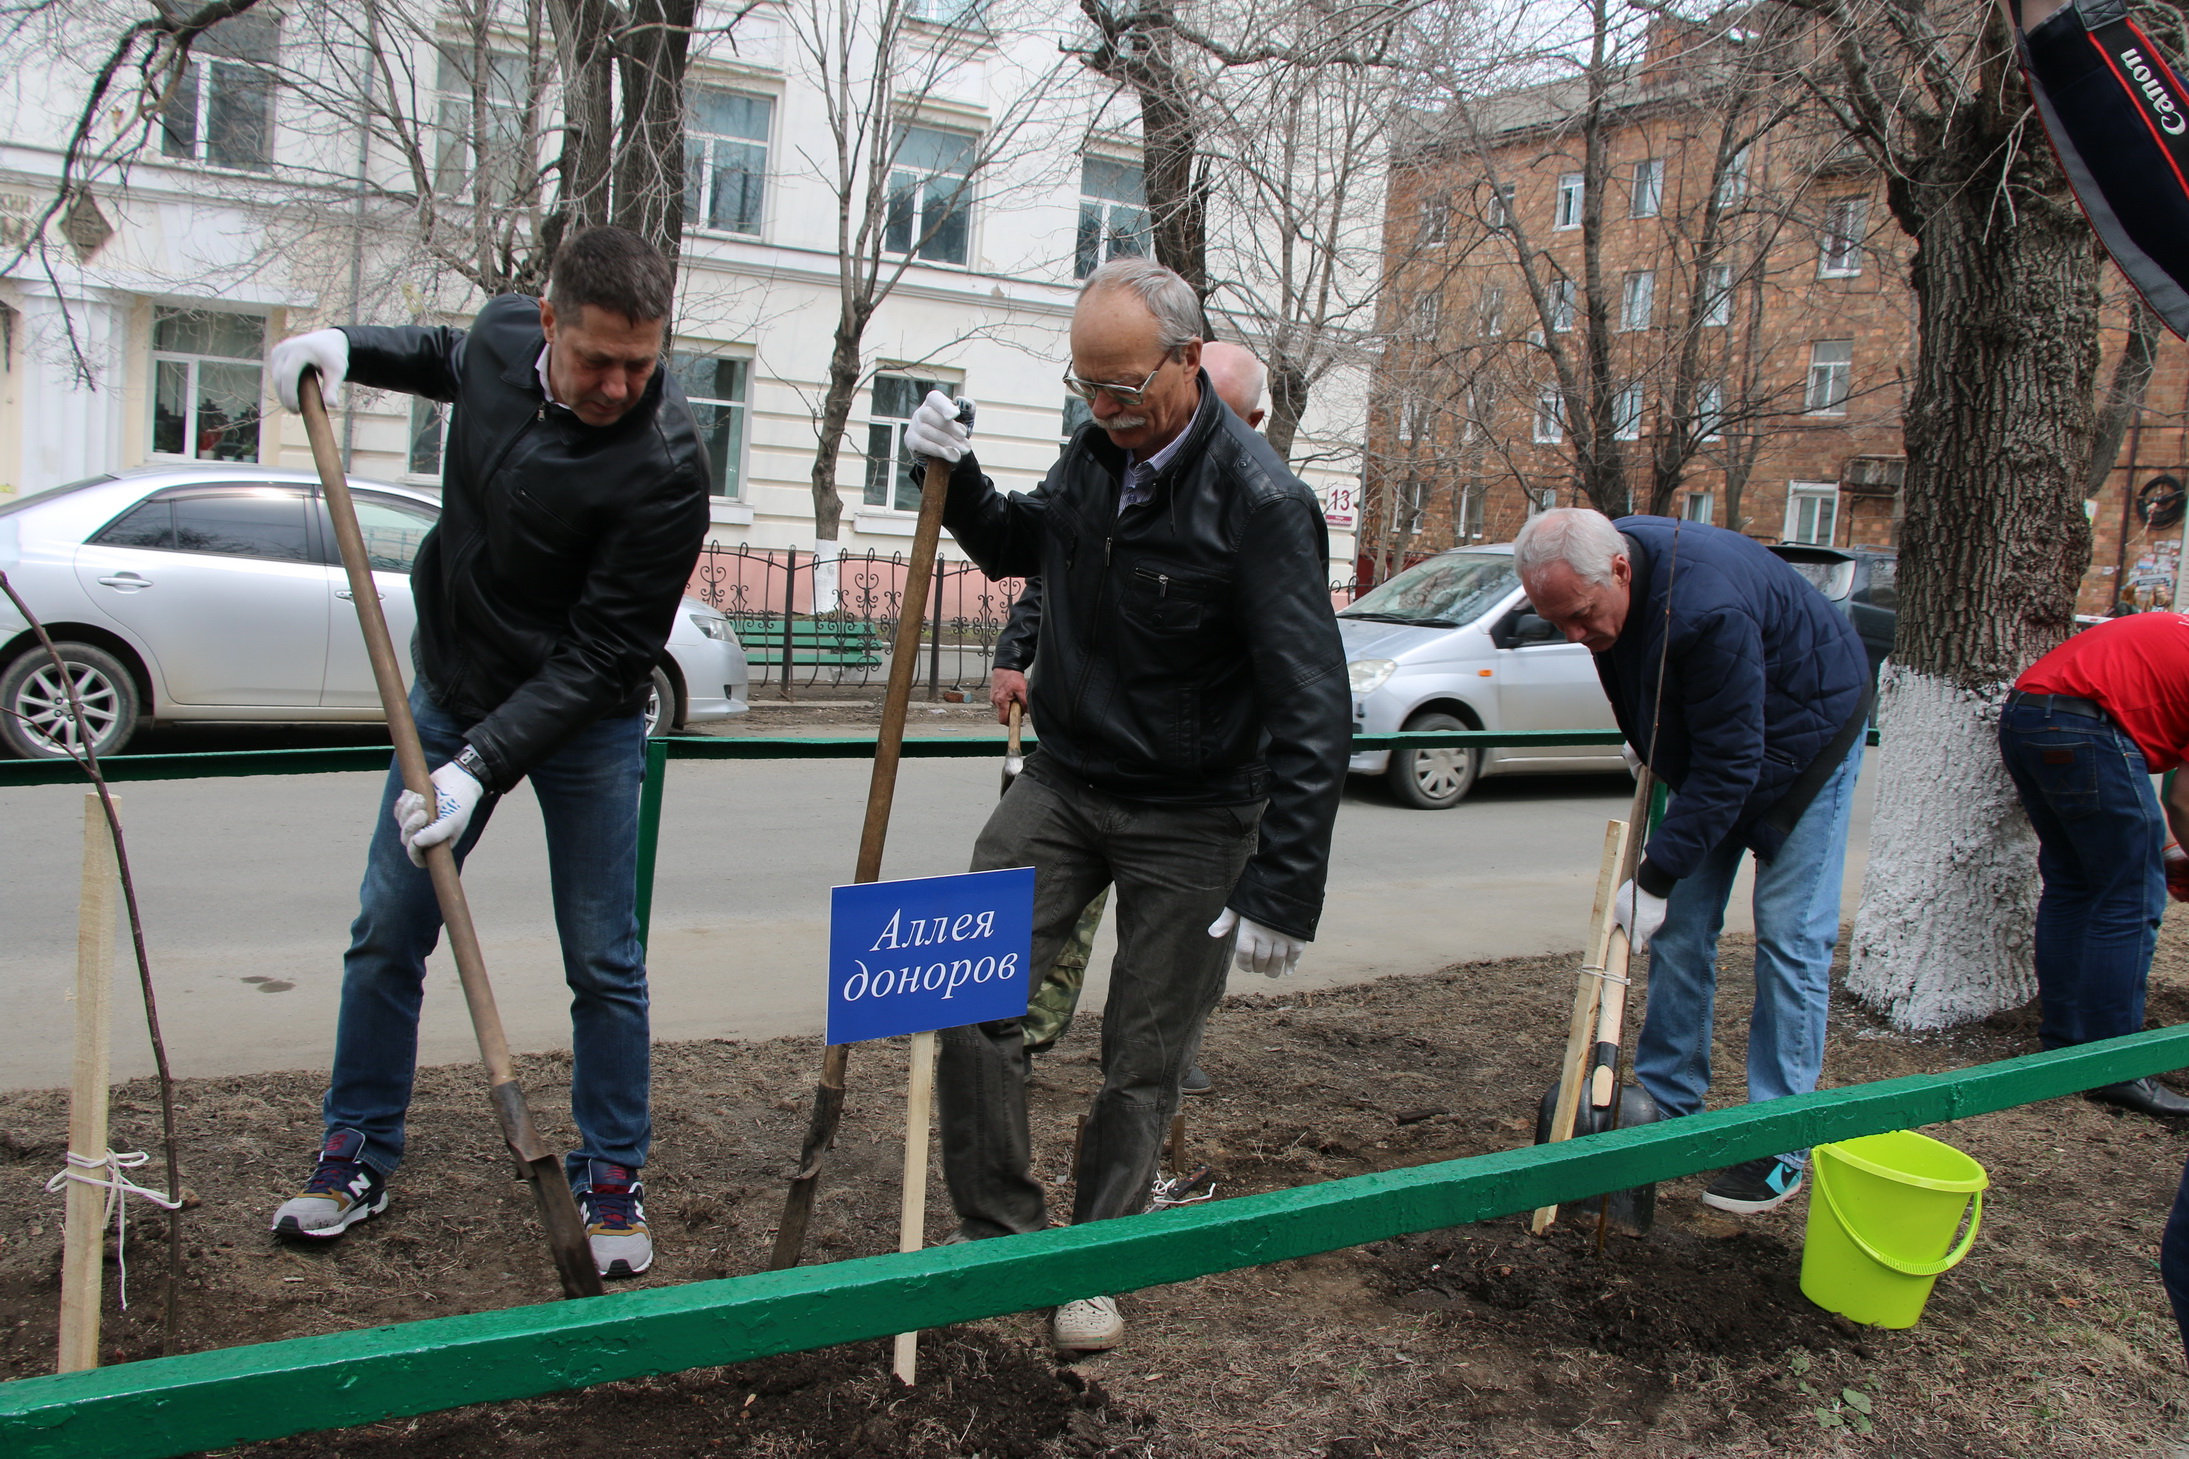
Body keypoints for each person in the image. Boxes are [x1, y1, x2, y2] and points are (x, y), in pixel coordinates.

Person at [909, 257, 1349, 1352]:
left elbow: (1313, 707)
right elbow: (1020, 542)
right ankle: (1004, 1236)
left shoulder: (1262, 505)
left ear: (1189, 362)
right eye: (1085, 388)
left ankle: (1093, 1263)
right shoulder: (1100, 448)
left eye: (1121, 390)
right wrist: (952, 475)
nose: (1102, 412)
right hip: (1065, 779)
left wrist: (1282, 883)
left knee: (1140, 1055)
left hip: (1195, 816)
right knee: (967, 990)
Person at [259, 227, 711, 1279]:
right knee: (387, 930)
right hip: (452, 687)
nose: (616, 384)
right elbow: (440, 355)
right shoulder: (505, 334)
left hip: (582, 720)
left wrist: (479, 767)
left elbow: (608, 654)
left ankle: (611, 1176)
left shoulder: (665, 467)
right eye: (596, 357)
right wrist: (344, 347)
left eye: (639, 363)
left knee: (604, 958)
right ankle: (355, 1153)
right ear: (547, 323)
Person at [1515, 507, 1872, 1216]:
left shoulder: (1705, 608)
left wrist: (1654, 875)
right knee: (1678, 926)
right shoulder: (1603, 575)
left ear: (1619, 570)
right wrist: (1649, 747)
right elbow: (1647, 682)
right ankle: (1670, 1101)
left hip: (1809, 732)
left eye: (1582, 616)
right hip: (1729, 739)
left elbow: (1733, 762)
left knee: (1788, 932)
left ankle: (1778, 1138)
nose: (1575, 635)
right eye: (1557, 622)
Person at [1001, 339, 1274, 1085]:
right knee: (1045, 932)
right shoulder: (1112, 468)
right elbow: (1048, 571)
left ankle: (1167, 1062)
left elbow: (1292, 688)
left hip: (1191, 797)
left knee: (1167, 1000)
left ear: (1247, 415)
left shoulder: (1263, 507)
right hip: (1085, 764)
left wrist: (1279, 866)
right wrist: (1012, 654)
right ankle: (1029, 1034)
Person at [1997, 613, 2189, 1116]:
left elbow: (2141, 787)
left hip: (2028, 716)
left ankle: (2066, 1048)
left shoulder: (2176, 633)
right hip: (2084, 726)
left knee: (2074, 885)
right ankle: (2115, 1068)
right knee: (2131, 899)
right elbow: (2185, 802)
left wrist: (2170, 853)